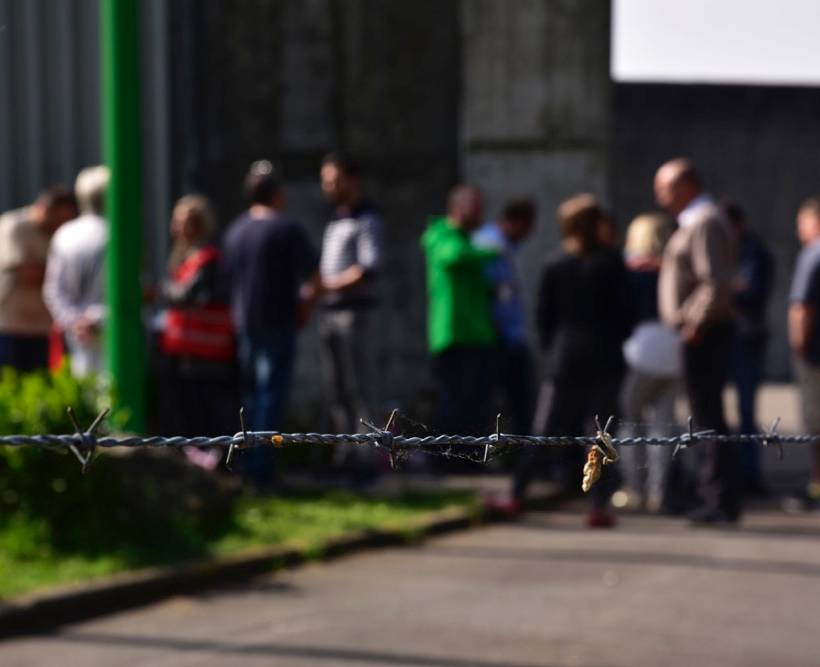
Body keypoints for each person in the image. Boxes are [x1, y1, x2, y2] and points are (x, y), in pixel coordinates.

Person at [513, 194, 633, 527]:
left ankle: (517, 492)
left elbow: (543, 317)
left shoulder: (555, 263)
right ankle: (598, 505)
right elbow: (627, 314)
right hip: (605, 357)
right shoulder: (611, 262)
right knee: (600, 434)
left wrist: (554, 348)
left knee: (544, 429)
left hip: (565, 357)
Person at [222, 160, 320, 487]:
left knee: (249, 398)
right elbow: (314, 276)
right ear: (277, 194)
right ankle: (262, 470)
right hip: (278, 321)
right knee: (271, 397)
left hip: (243, 323)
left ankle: (247, 462)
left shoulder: (235, 231)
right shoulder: (286, 229)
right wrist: (305, 305)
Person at [655, 158, 740, 525]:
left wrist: (693, 321)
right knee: (705, 415)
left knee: (708, 417)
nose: (660, 196)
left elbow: (715, 281)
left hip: (704, 332)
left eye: (666, 187)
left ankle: (718, 497)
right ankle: (714, 494)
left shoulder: (703, 221)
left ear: (687, 186)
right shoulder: (698, 220)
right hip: (700, 331)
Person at [158, 195, 235, 466]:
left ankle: (215, 462)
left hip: (205, 352)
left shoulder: (207, 258)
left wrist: (160, 289)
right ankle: (195, 459)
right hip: (183, 350)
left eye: (182, 222)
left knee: (205, 412)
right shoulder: (184, 257)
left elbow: (186, 295)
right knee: (185, 411)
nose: (174, 227)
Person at [421, 185, 498, 436]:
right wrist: (491, 251)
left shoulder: (470, 240)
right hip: (452, 333)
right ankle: (447, 457)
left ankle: (470, 456)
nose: (481, 213)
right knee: (451, 401)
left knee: (475, 403)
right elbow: (454, 256)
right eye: (476, 207)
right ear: (460, 208)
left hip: (477, 333)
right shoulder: (440, 234)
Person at [618, 212, 681, 513]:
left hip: (641, 349)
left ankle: (633, 487)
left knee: (628, 421)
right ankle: (659, 491)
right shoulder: (674, 269)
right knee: (662, 426)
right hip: (673, 350)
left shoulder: (631, 271)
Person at [318, 153, 383, 435]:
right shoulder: (335, 218)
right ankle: (345, 450)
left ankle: (366, 451)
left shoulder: (367, 218)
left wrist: (328, 286)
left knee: (358, 386)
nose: (328, 187)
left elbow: (367, 269)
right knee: (335, 388)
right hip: (329, 311)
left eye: (334, 180)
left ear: (352, 180)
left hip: (353, 312)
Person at [722, 200, 774, 495]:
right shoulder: (732, 249)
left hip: (745, 340)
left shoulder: (753, 251)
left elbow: (749, 291)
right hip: (730, 337)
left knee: (745, 411)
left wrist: (720, 288)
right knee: (716, 413)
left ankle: (748, 475)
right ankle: (728, 474)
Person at [473, 198, 537, 436]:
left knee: (517, 398)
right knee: (493, 399)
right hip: (496, 334)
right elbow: (492, 292)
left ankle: (517, 451)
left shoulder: (504, 246)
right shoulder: (490, 245)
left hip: (507, 335)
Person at [0, 187, 77, 372]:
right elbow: (26, 274)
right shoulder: (15, 226)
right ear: (43, 208)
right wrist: (65, 276)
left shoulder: (60, 233)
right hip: (10, 326)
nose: (59, 226)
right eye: (56, 220)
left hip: (42, 329)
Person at [43, 166, 110, 378]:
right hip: (111, 331)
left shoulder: (65, 234)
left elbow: (53, 289)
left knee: (81, 395)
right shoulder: (120, 232)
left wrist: (73, 320)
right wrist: (97, 319)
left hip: (75, 334)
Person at [787, 196, 820, 510]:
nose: (799, 230)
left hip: (815, 354)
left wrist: (799, 344)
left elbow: (802, 307)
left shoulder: (813, 254)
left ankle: (817, 485)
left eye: (802, 223)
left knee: (815, 421)